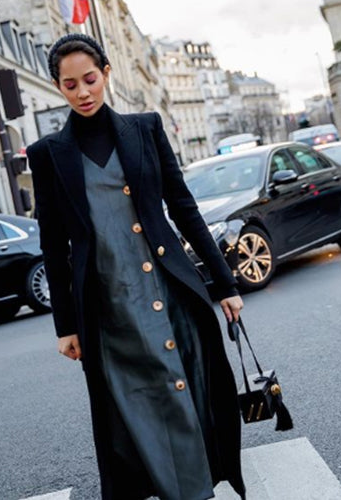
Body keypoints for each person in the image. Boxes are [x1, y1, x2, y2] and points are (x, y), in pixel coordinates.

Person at [27, 33, 246, 500]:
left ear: (106, 73)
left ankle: (196, 489)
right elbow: (53, 245)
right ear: (57, 87)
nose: (83, 92)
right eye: (70, 85)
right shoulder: (47, 155)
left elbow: (183, 208)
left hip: (171, 293)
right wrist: (65, 325)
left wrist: (223, 283)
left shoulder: (145, 128)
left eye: (89, 79)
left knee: (185, 388)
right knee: (141, 407)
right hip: (109, 308)